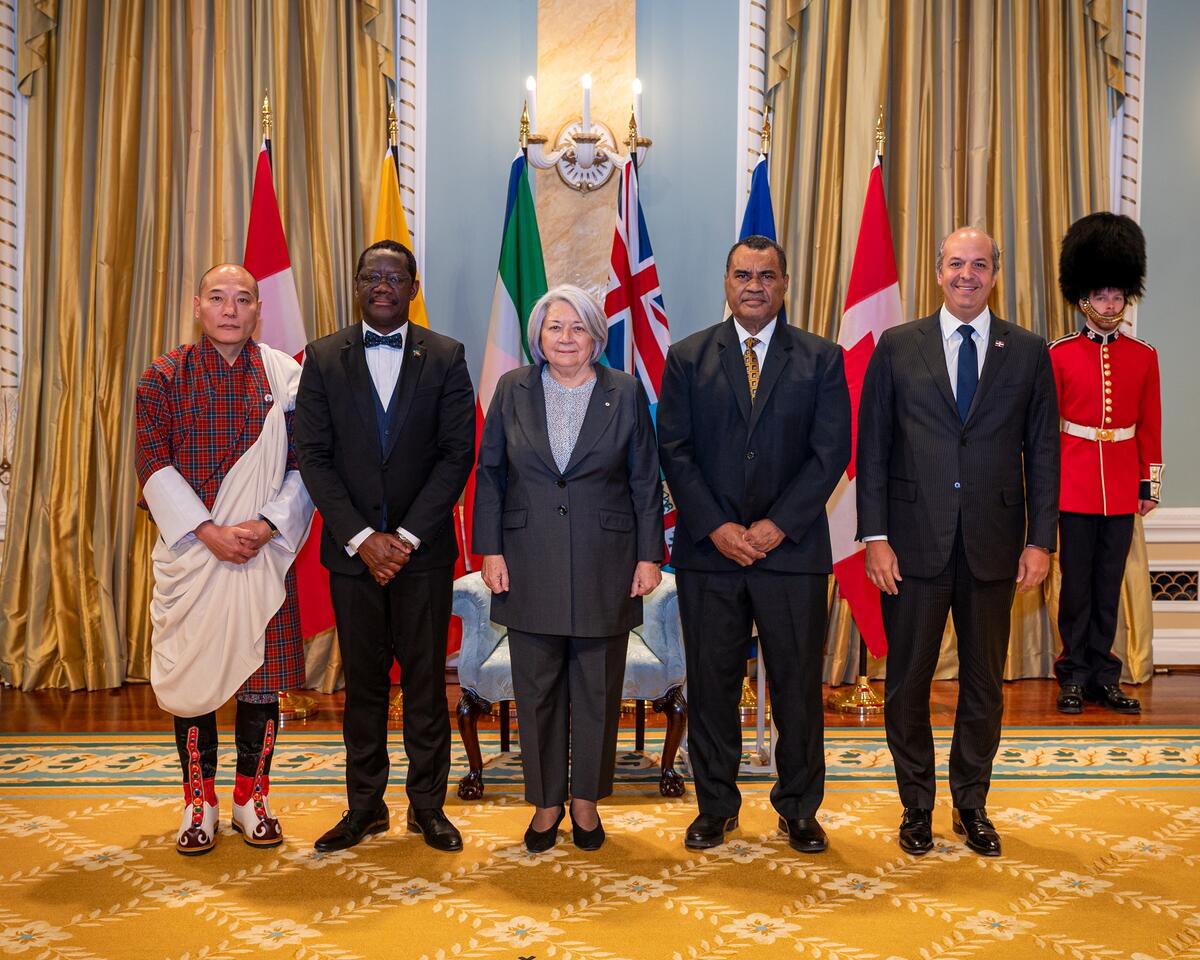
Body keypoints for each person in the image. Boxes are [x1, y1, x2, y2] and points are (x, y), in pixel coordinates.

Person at [856, 227, 1059, 858]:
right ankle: (916, 807)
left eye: (979, 264)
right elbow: (874, 448)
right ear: (937, 271)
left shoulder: (1026, 350)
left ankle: (971, 804)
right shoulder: (898, 345)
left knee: (982, 686)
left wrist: (1041, 540)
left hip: (995, 546)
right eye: (955, 263)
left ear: (994, 273)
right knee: (907, 685)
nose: (966, 274)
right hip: (911, 546)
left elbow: (1045, 453)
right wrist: (875, 536)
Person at [657, 236, 850, 854]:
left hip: (791, 552)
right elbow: (674, 451)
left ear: (785, 285)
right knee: (712, 686)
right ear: (726, 281)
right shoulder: (688, 357)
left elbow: (831, 454)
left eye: (767, 276)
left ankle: (798, 809)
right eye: (743, 274)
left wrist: (777, 525)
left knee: (797, 689)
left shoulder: (822, 358)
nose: (755, 286)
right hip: (709, 553)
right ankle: (716, 806)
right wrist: (717, 526)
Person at [294, 240, 475, 853]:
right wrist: (363, 538)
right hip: (352, 558)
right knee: (364, 688)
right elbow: (313, 458)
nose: (382, 285)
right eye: (372, 275)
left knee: (426, 686)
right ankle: (365, 808)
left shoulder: (447, 357)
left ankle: (428, 808)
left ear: (412, 286)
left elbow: (458, 455)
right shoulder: (320, 359)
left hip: (422, 555)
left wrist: (403, 537)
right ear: (356, 283)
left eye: (394, 276)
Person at [473, 285, 663, 853]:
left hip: (607, 562)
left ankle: (585, 801)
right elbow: (489, 474)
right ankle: (547, 802)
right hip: (527, 561)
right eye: (555, 327)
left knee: (597, 692)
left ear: (595, 337)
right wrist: (491, 550)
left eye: (577, 328)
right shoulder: (512, 389)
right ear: (538, 336)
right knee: (537, 693)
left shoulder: (624, 392)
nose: (566, 338)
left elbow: (645, 479)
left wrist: (649, 555)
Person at [135, 263, 314, 856]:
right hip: (192, 555)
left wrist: (266, 525)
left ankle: (250, 797)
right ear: (198, 306)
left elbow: (305, 466)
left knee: (260, 685)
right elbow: (151, 463)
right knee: (193, 686)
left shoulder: (286, 377)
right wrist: (207, 531)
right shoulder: (162, 377)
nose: (231, 309)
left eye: (243, 299)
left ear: (258, 309)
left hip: (262, 555)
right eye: (219, 297)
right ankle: (200, 801)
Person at [1051, 213, 1161, 715]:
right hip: (1073, 486)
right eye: (1101, 296)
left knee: (1107, 587)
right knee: (1075, 589)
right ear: (1083, 299)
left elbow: (1150, 427)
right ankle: (1072, 673)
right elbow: (1047, 431)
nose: (1110, 305)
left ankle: (1103, 674)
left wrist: (1148, 483)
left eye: (1117, 296)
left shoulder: (1143, 355)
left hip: (1119, 488)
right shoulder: (1058, 354)